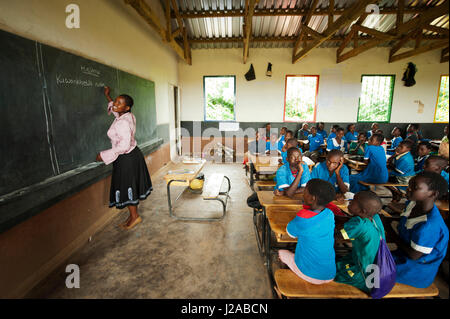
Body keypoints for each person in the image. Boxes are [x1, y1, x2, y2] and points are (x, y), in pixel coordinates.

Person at [96, 86, 153, 230]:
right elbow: (115, 110)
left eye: (119, 103)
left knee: (128, 186)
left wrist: (103, 156)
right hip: (131, 156)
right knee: (130, 185)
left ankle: (135, 217)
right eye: (115, 101)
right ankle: (133, 216)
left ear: (127, 107)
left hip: (126, 157)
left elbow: (124, 146)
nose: (115, 104)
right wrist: (108, 96)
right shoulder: (127, 115)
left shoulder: (123, 122)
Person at [385, 172, 449, 288]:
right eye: (410, 184)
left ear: (433, 194)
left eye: (415, 187)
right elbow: (404, 221)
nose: (408, 188)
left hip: (416, 270)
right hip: (401, 256)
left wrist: (390, 232)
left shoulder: (429, 225)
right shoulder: (413, 204)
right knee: (366, 259)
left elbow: (414, 255)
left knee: (366, 271)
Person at [278, 179, 337, 284]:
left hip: (311, 275)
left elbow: (290, 232)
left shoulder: (303, 217)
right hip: (330, 273)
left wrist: (299, 217)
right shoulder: (329, 214)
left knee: (281, 253)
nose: (303, 193)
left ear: (312, 198)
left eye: (305, 191)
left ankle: (288, 283)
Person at [334, 191, 386, 293]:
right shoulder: (375, 217)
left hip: (363, 273)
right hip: (376, 265)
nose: (349, 202)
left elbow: (337, 237)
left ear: (362, 211)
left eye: (353, 202)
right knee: (341, 261)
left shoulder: (358, 224)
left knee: (331, 272)